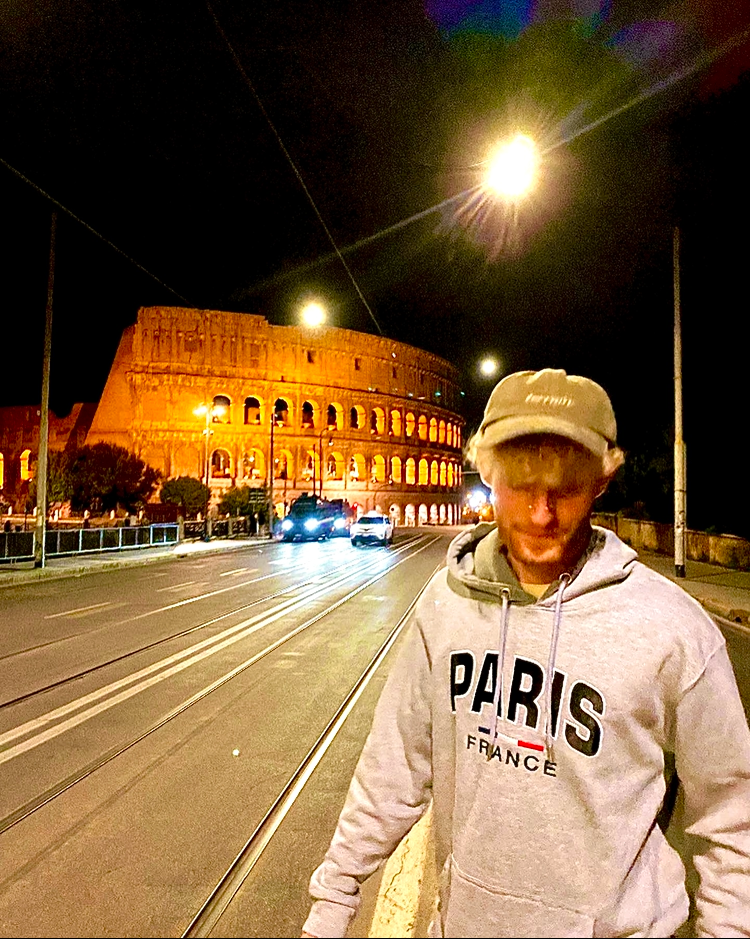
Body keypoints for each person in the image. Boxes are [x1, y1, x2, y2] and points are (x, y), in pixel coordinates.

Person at [302, 368, 750, 938]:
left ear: (602, 482)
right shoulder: (445, 604)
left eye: (564, 485)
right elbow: (393, 768)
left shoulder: (674, 630)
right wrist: (333, 900)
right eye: (518, 481)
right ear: (486, 473)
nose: (541, 513)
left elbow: (735, 819)